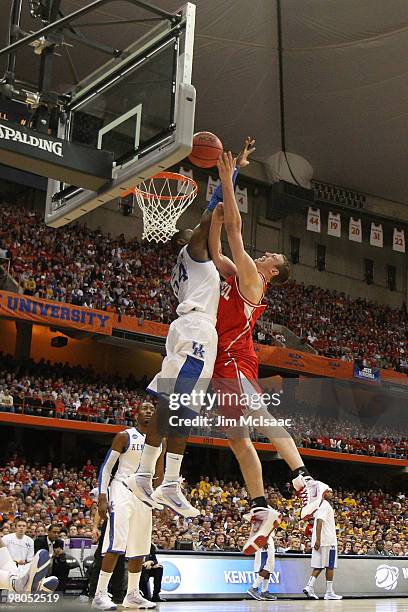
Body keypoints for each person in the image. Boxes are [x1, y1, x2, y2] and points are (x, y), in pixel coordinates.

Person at [208, 149, 329, 554]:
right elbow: (216, 249)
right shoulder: (234, 273)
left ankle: (305, 479)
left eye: (270, 257)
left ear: (273, 271)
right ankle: (261, 509)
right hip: (219, 363)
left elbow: (236, 232)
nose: (263, 255)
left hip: (235, 360)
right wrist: (215, 213)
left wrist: (230, 177)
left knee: (261, 417)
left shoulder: (253, 281)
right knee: (237, 440)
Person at [127, 139, 253, 517]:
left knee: (176, 407)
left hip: (189, 330)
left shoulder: (192, 270)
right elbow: (208, 221)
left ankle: (156, 479)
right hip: (197, 332)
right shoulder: (193, 256)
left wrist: (233, 175)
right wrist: (226, 177)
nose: (195, 233)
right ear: (186, 243)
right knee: (178, 407)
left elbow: (214, 226)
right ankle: (156, 480)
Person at [92, 402, 164, 610]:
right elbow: (106, 468)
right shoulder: (124, 435)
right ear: (136, 415)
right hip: (121, 489)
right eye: (145, 409)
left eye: (152, 409)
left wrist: (158, 500)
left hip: (144, 495)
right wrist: (102, 496)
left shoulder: (160, 441)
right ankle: (100, 594)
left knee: (140, 546)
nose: (149, 412)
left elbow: (158, 475)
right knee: (116, 542)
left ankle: (132, 594)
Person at [0, 497, 58, 593]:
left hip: (17, 567)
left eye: (23, 526)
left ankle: (22, 581)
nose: (21, 528)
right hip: (13, 566)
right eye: (19, 526)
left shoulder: (29, 540)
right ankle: (21, 583)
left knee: (17, 575)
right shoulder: (7, 538)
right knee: (16, 581)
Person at [303, 489, 342, 600]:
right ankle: (329, 592)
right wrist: (318, 540)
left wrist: (317, 540)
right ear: (323, 494)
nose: (331, 493)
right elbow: (320, 521)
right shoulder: (325, 505)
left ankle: (309, 586)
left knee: (318, 566)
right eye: (329, 492)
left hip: (321, 540)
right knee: (330, 566)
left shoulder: (321, 505)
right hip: (327, 541)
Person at [34, 525, 69, 593]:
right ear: (48, 532)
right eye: (54, 532)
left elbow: (61, 559)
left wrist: (62, 555)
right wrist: (52, 555)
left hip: (54, 564)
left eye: (58, 533)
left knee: (65, 567)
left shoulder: (60, 542)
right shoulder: (39, 541)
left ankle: (60, 590)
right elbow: (38, 556)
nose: (56, 534)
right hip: (41, 564)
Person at [247, 534, 277, 601]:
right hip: (264, 538)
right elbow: (262, 526)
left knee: (270, 567)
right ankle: (253, 588)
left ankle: (264, 591)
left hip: (268, 538)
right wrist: (264, 540)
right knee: (266, 566)